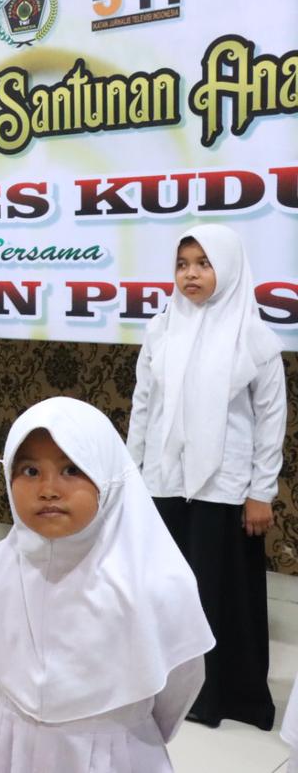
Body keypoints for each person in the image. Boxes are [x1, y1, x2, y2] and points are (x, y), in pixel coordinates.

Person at [0, 397, 214, 772]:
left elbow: (181, 680)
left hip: (116, 748)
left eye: (71, 470)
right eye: (30, 471)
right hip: (12, 742)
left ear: (108, 476)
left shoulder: (156, 585)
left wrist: (127, 722)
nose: (48, 489)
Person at [127, 224, 286, 730]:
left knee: (217, 593)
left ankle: (220, 695)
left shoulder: (254, 336)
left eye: (203, 263)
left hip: (226, 487)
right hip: (165, 482)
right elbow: (143, 407)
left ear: (229, 267)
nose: (190, 274)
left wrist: (262, 492)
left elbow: (271, 418)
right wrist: (133, 474)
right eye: (182, 264)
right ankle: (166, 688)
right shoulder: (161, 328)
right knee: (168, 590)